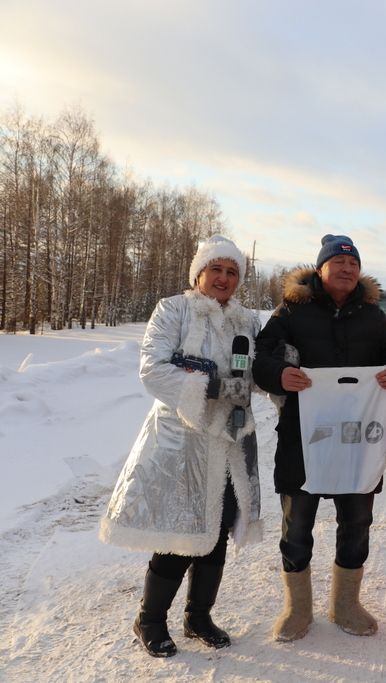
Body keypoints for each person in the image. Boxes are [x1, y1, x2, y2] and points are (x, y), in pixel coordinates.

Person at [100, 235, 263, 657]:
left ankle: (199, 616)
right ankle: (150, 619)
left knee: (218, 527)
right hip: (181, 440)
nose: (224, 278)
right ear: (199, 273)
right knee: (178, 529)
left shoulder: (247, 321)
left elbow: (257, 371)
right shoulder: (174, 309)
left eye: (232, 272)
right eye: (217, 269)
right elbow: (152, 369)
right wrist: (207, 387)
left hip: (230, 440)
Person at [253, 234, 386, 642]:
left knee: (357, 521)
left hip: (357, 441)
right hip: (303, 440)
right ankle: (297, 609)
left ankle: (346, 604)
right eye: (337, 263)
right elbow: (262, 357)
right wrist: (278, 375)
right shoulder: (291, 310)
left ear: (359, 272)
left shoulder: (372, 315)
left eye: (352, 264)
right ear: (320, 269)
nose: (346, 270)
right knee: (297, 525)